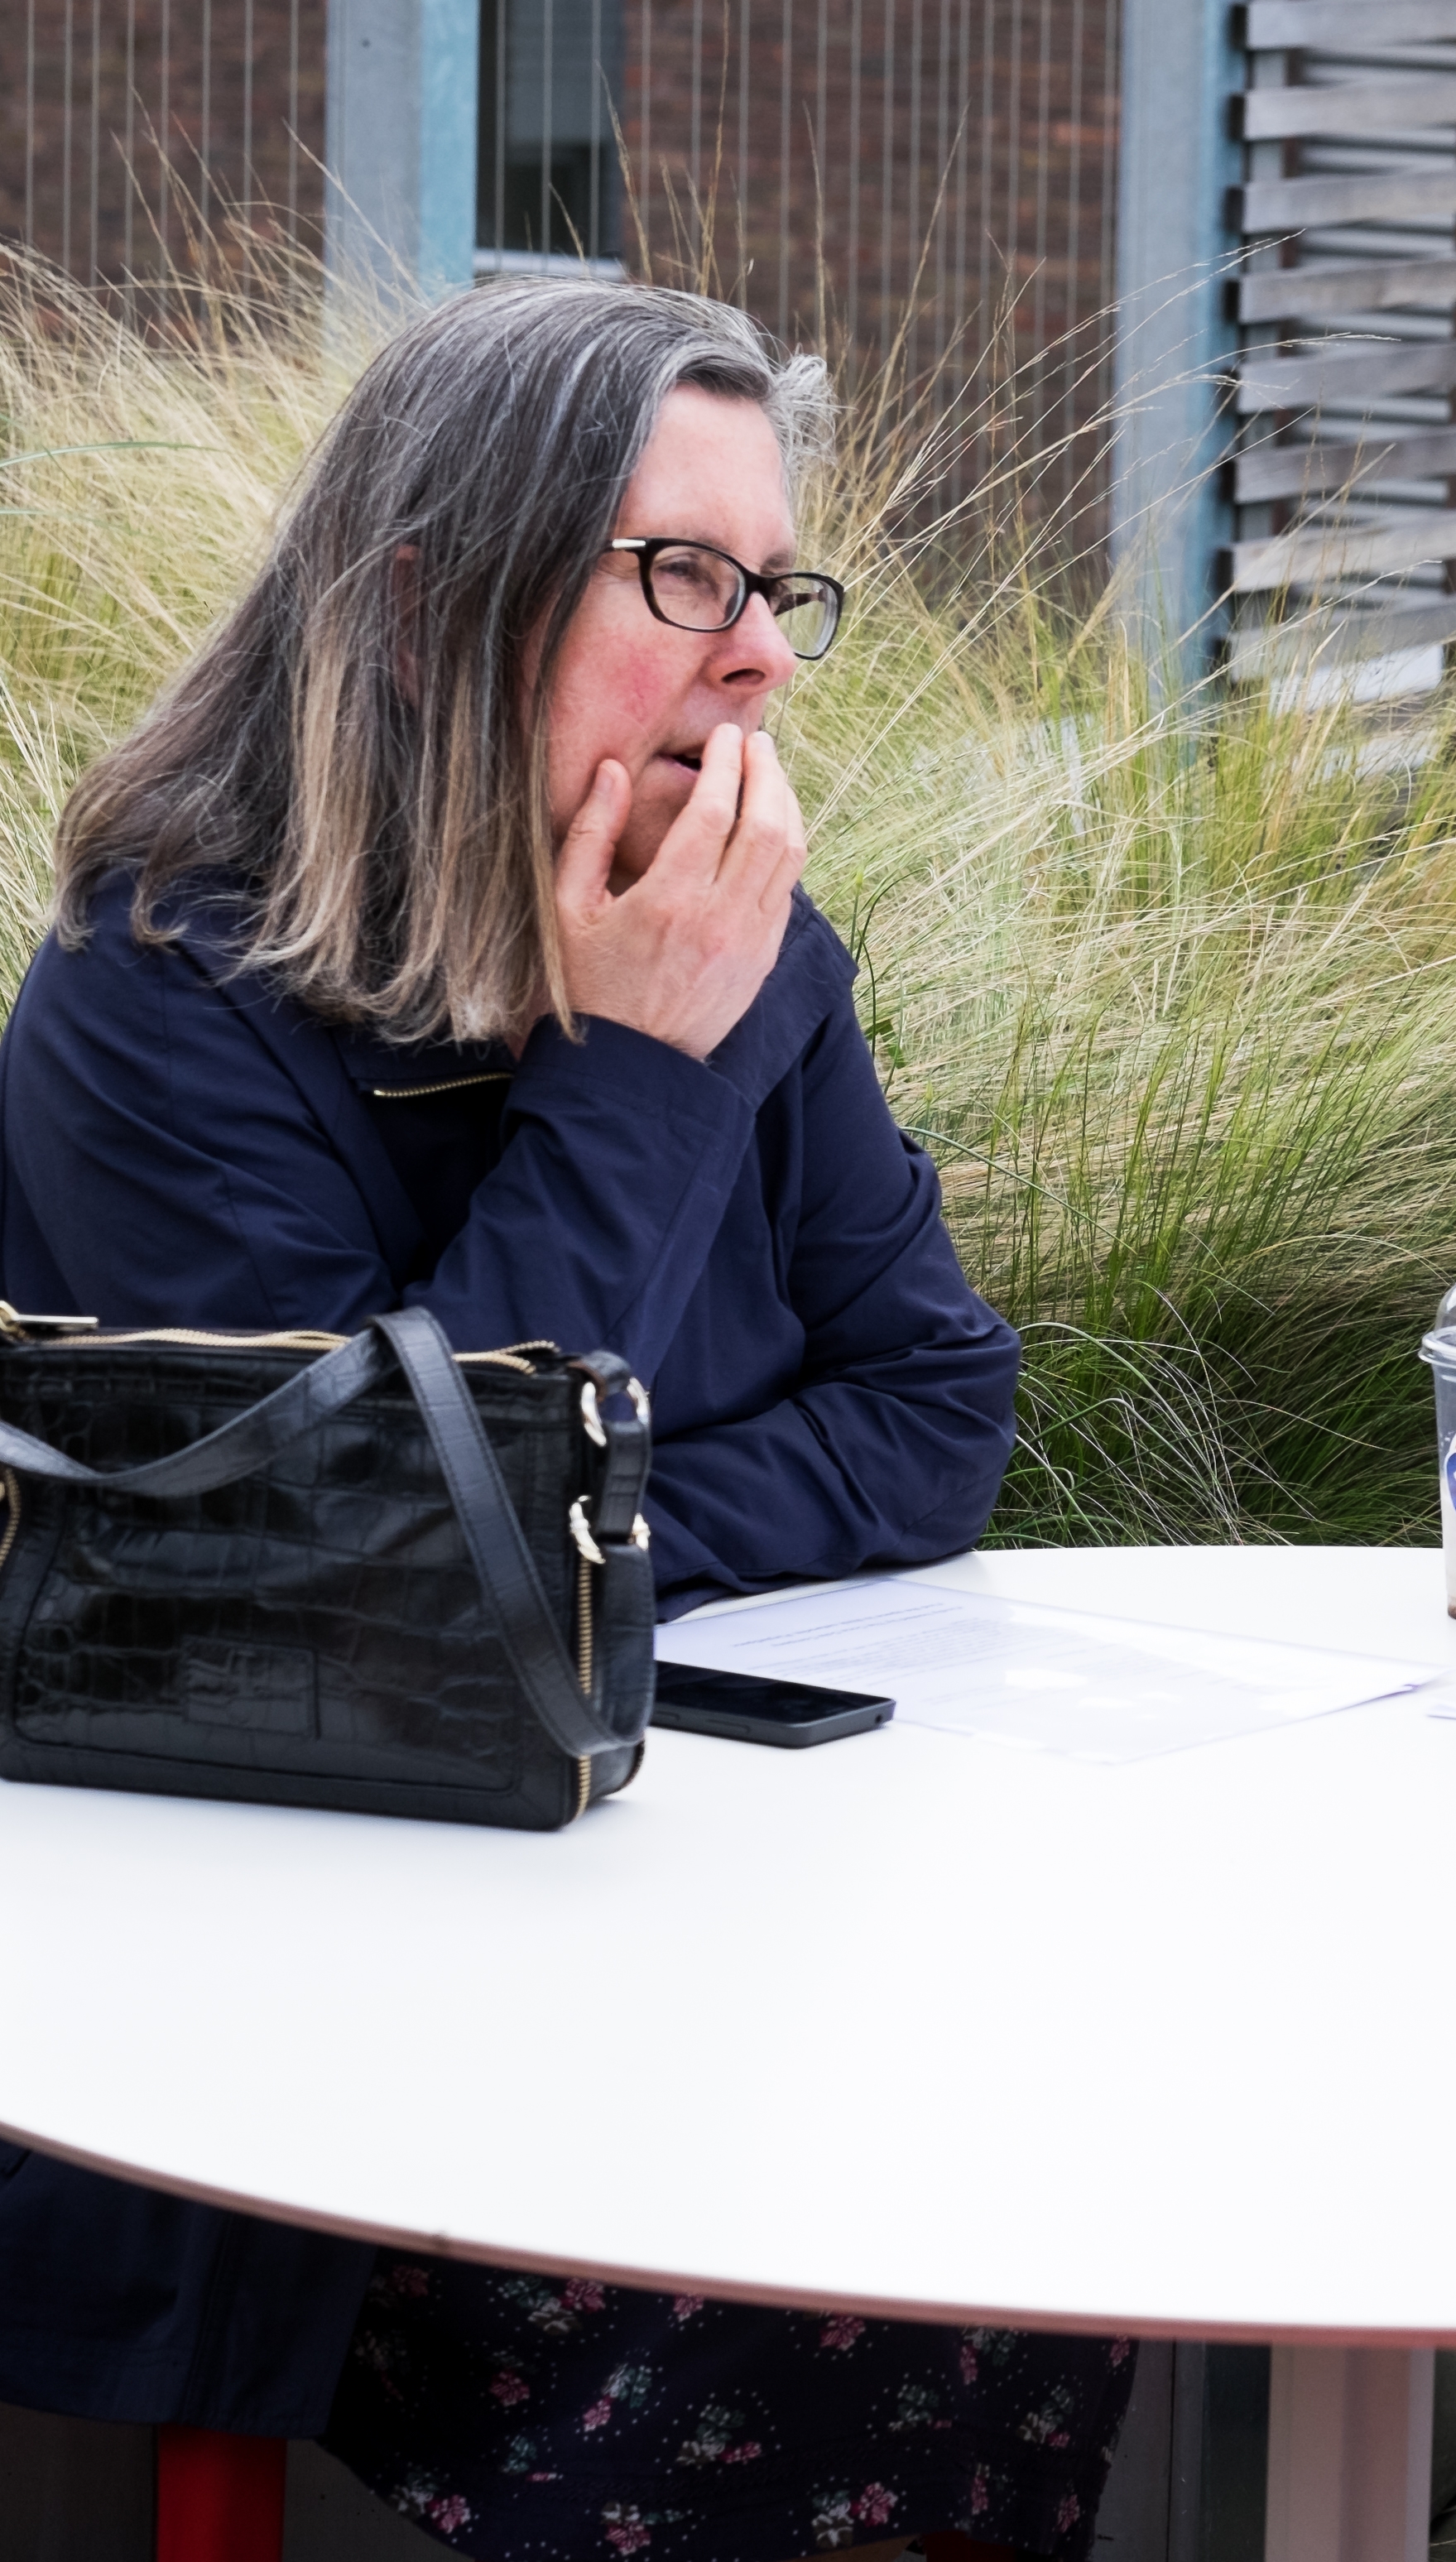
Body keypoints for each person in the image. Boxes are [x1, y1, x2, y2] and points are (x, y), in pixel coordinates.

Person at [0, 280, 1128, 2560]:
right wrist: (626, 1077)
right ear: (432, 601)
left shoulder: (736, 932)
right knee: (840, 2296)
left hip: (682, 1898)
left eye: (779, 588)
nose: (766, 655)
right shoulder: (162, 1004)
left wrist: (578, 1548)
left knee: (1048, 2147)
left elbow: (934, 1408)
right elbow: (359, 1572)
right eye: (683, 578)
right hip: (281, 1993)